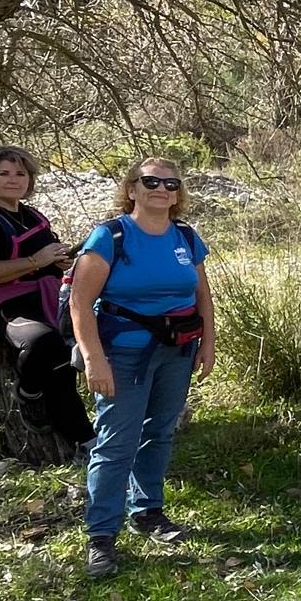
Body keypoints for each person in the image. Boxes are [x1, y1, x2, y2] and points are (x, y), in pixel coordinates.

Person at [68, 157, 216, 578]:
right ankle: (101, 535)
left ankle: (148, 511)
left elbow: (202, 295)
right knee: (116, 442)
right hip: (123, 355)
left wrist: (208, 343)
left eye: (171, 183)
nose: (162, 190)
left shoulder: (185, 236)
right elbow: (80, 302)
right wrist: (94, 359)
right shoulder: (110, 236)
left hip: (177, 352)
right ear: (132, 189)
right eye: (151, 182)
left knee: (160, 432)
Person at [0, 146, 94, 456]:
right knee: (44, 343)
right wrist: (35, 260)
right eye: (4, 173)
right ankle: (29, 393)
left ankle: (86, 441)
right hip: (5, 304)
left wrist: (59, 261)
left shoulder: (32, 216)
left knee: (63, 364)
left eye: (20, 174)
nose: (13, 179)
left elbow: (46, 259)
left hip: (47, 297)